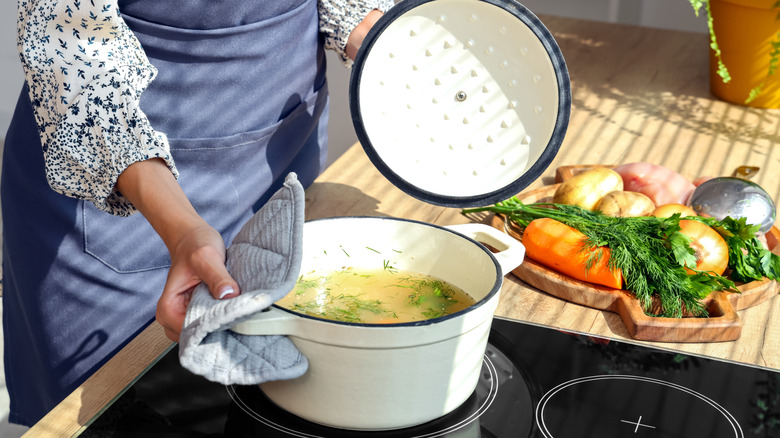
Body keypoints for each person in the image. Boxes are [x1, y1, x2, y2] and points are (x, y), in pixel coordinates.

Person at [2, 0, 393, 426]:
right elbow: (75, 61)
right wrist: (183, 231)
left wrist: (375, 32)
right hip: (119, 203)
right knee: (125, 412)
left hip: (281, 153)